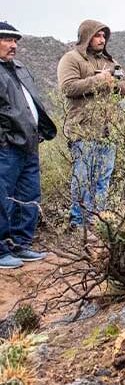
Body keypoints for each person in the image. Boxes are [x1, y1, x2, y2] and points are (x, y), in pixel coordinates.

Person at [57, 20, 125, 231]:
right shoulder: (71, 59)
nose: (102, 40)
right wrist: (99, 80)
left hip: (108, 131)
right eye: (97, 36)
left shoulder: (110, 61)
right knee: (83, 179)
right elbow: (68, 87)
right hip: (83, 130)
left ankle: (97, 222)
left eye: (104, 36)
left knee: (103, 179)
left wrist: (113, 82)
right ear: (86, 36)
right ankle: (78, 224)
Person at [0, 22, 57, 268]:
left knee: (29, 196)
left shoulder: (19, 68)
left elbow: (30, 103)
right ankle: (1, 251)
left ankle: (20, 245)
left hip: (29, 144)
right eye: (7, 40)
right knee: (2, 198)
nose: (13, 45)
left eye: (15, 41)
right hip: (7, 146)